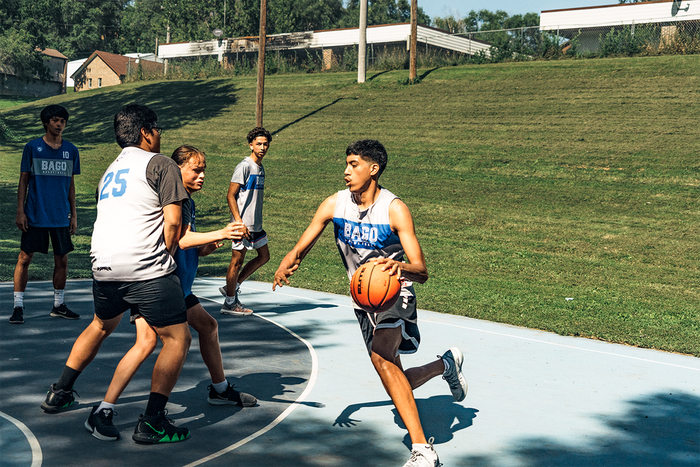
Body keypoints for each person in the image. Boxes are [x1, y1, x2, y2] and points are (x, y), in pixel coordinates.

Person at [273, 140, 467, 467]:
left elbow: (421, 270)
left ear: (373, 169)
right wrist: (289, 261)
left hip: (395, 295)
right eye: (346, 164)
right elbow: (306, 240)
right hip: (363, 300)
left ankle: (423, 451)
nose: (346, 171)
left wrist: (400, 267)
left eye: (353, 164)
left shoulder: (394, 209)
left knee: (381, 356)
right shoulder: (335, 204)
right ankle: (445, 365)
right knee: (390, 375)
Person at [41, 104, 192, 445]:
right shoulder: (162, 164)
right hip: (144, 266)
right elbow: (172, 221)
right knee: (177, 338)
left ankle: (60, 391)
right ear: (146, 132)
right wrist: (164, 257)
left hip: (104, 265)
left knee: (100, 325)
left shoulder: (108, 171)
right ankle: (152, 421)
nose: (160, 136)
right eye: (158, 130)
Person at [84, 145, 257, 442]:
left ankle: (219, 389)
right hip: (161, 285)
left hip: (176, 285)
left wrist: (210, 244)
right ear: (178, 170)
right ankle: (112, 410)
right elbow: (181, 238)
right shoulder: (177, 200)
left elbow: (190, 245)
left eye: (204, 170)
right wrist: (222, 233)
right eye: (196, 169)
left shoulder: (187, 201)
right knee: (148, 343)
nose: (202, 175)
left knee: (206, 327)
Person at [10, 105, 80, 325]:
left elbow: (71, 183)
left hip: (60, 215)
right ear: (46, 122)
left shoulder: (71, 150)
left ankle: (58, 305)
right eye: (55, 120)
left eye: (63, 121)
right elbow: (23, 180)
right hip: (35, 213)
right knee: (24, 258)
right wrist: (20, 210)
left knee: (62, 260)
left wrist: (74, 214)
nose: (59, 125)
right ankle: (18, 306)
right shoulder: (32, 147)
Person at [220, 127, 272, 316]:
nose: (262, 147)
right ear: (250, 145)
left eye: (265, 144)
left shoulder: (260, 167)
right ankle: (229, 303)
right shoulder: (245, 166)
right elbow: (230, 195)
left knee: (264, 256)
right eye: (259, 143)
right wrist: (239, 223)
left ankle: (231, 287)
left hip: (255, 224)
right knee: (237, 261)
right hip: (242, 224)